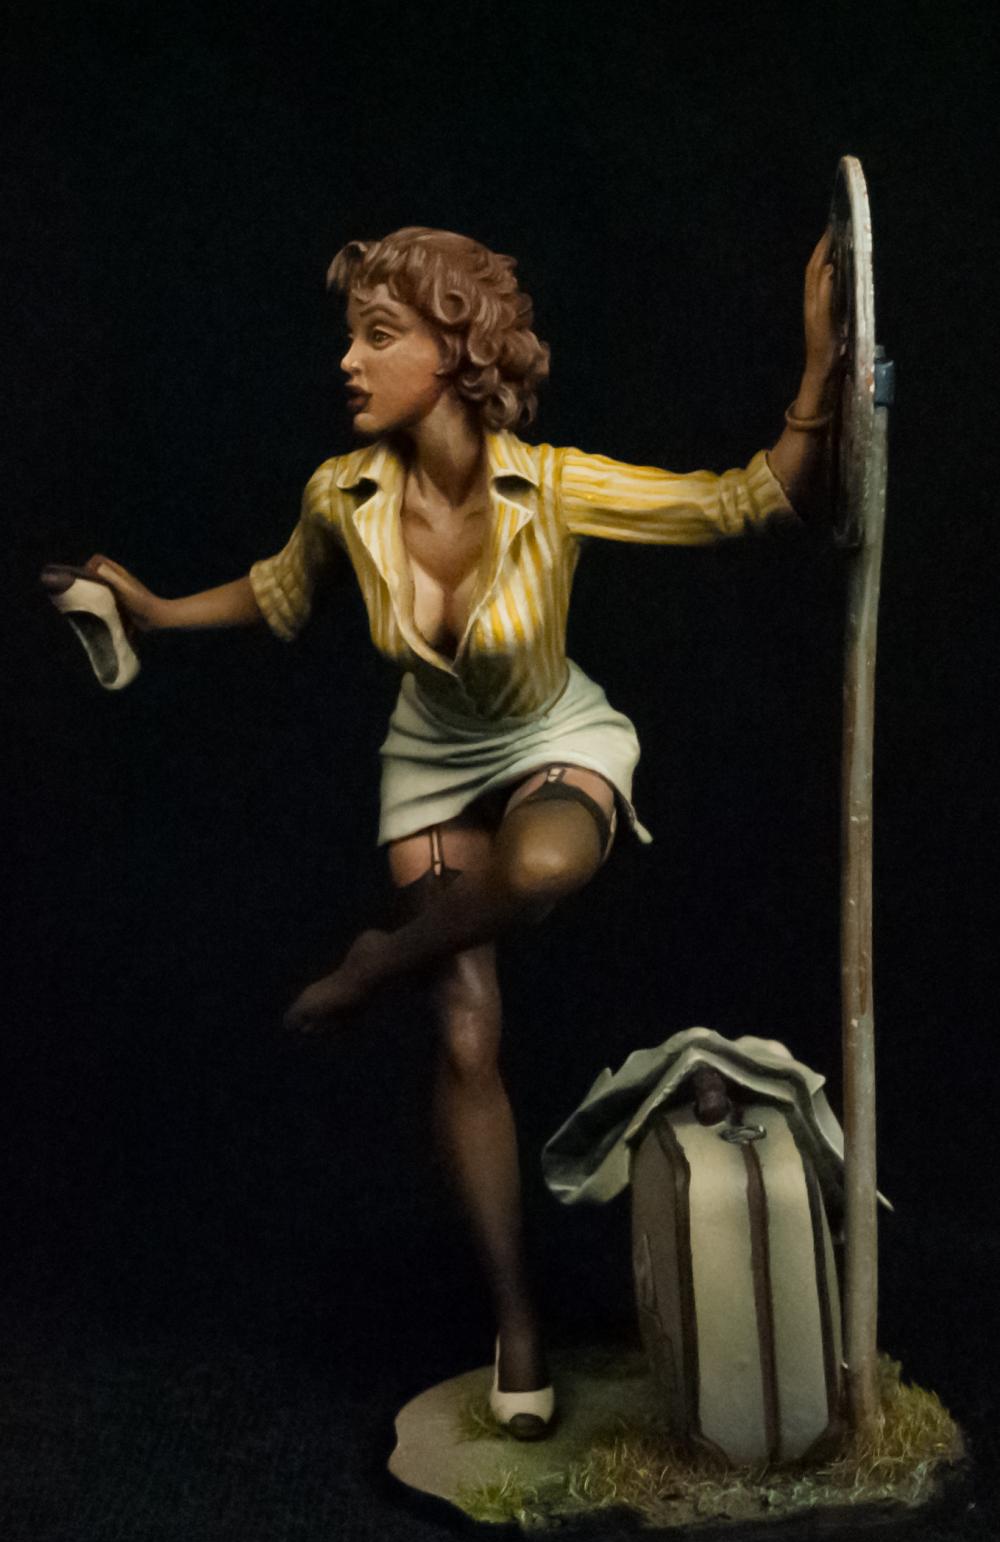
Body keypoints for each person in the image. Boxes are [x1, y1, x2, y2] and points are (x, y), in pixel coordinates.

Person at [83, 225, 841, 1437]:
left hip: (551, 733)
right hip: (432, 760)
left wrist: (814, 373)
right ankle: (517, 1324)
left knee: (540, 864)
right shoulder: (341, 495)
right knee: (467, 1036)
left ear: (456, 349)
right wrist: (157, 612)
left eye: (377, 336)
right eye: (350, 335)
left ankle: (374, 961)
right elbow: (279, 592)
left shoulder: (553, 485)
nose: (347, 360)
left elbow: (749, 501)